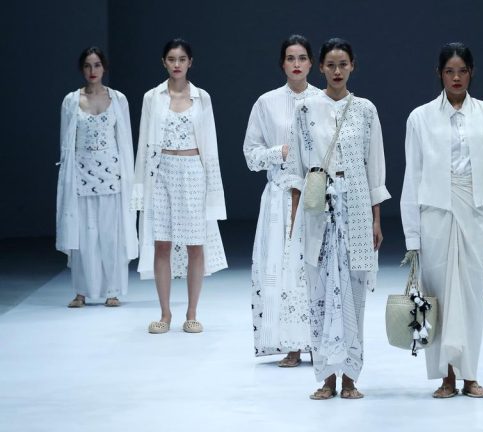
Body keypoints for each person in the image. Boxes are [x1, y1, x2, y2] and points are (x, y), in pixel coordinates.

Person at [401, 42, 483, 398]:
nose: (456, 77)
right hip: (435, 215)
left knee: (471, 297)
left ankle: (470, 375)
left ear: (471, 73)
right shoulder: (420, 118)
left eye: (462, 71)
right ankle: (446, 376)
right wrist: (412, 237)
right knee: (440, 298)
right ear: (439, 74)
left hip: (475, 214)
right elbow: (412, 177)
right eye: (450, 71)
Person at [287, 38, 390, 400]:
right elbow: (297, 168)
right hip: (318, 207)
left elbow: (374, 167)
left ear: (352, 66)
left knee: (354, 294)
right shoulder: (305, 110)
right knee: (319, 293)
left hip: (357, 205)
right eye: (330, 64)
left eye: (342, 64)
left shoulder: (365, 110)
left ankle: (350, 377)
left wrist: (376, 220)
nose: (336, 71)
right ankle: (326, 377)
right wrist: (294, 220)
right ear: (321, 68)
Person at [132, 38, 227, 334]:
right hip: (160, 172)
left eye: (182, 59)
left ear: (190, 63)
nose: (176, 64)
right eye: (171, 59)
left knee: (195, 244)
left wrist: (213, 187)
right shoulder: (152, 97)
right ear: (164, 62)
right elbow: (144, 144)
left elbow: (210, 145)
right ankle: (165, 314)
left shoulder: (202, 98)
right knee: (161, 243)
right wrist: (140, 188)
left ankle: (192, 313)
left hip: (193, 172)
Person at [245, 35, 319, 366]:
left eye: (302, 58)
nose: (297, 64)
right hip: (279, 198)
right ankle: (289, 344)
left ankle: (317, 341)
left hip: (315, 196)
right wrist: (280, 152)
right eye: (290, 58)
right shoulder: (267, 103)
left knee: (311, 267)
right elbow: (251, 154)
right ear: (282, 64)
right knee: (280, 266)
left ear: (311, 63)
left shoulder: (323, 101)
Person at [56, 47, 138, 308]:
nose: (93, 71)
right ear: (82, 69)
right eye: (88, 65)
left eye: (97, 65)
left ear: (104, 67)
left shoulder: (118, 99)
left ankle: (112, 290)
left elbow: (125, 142)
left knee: (110, 235)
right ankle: (81, 291)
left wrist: (129, 179)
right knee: (84, 235)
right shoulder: (71, 101)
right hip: (81, 177)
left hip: (112, 177)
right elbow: (66, 143)